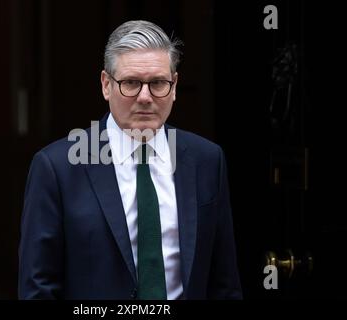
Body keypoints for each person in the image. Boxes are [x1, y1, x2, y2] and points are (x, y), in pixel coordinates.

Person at [18, 20, 242, 300]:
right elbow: (38, 287)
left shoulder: (207, 160)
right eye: (131, 83)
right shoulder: (57, 167)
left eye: (158, 83)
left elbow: (224, 282)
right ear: (106, 85)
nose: (145, 97)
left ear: (174, 87)